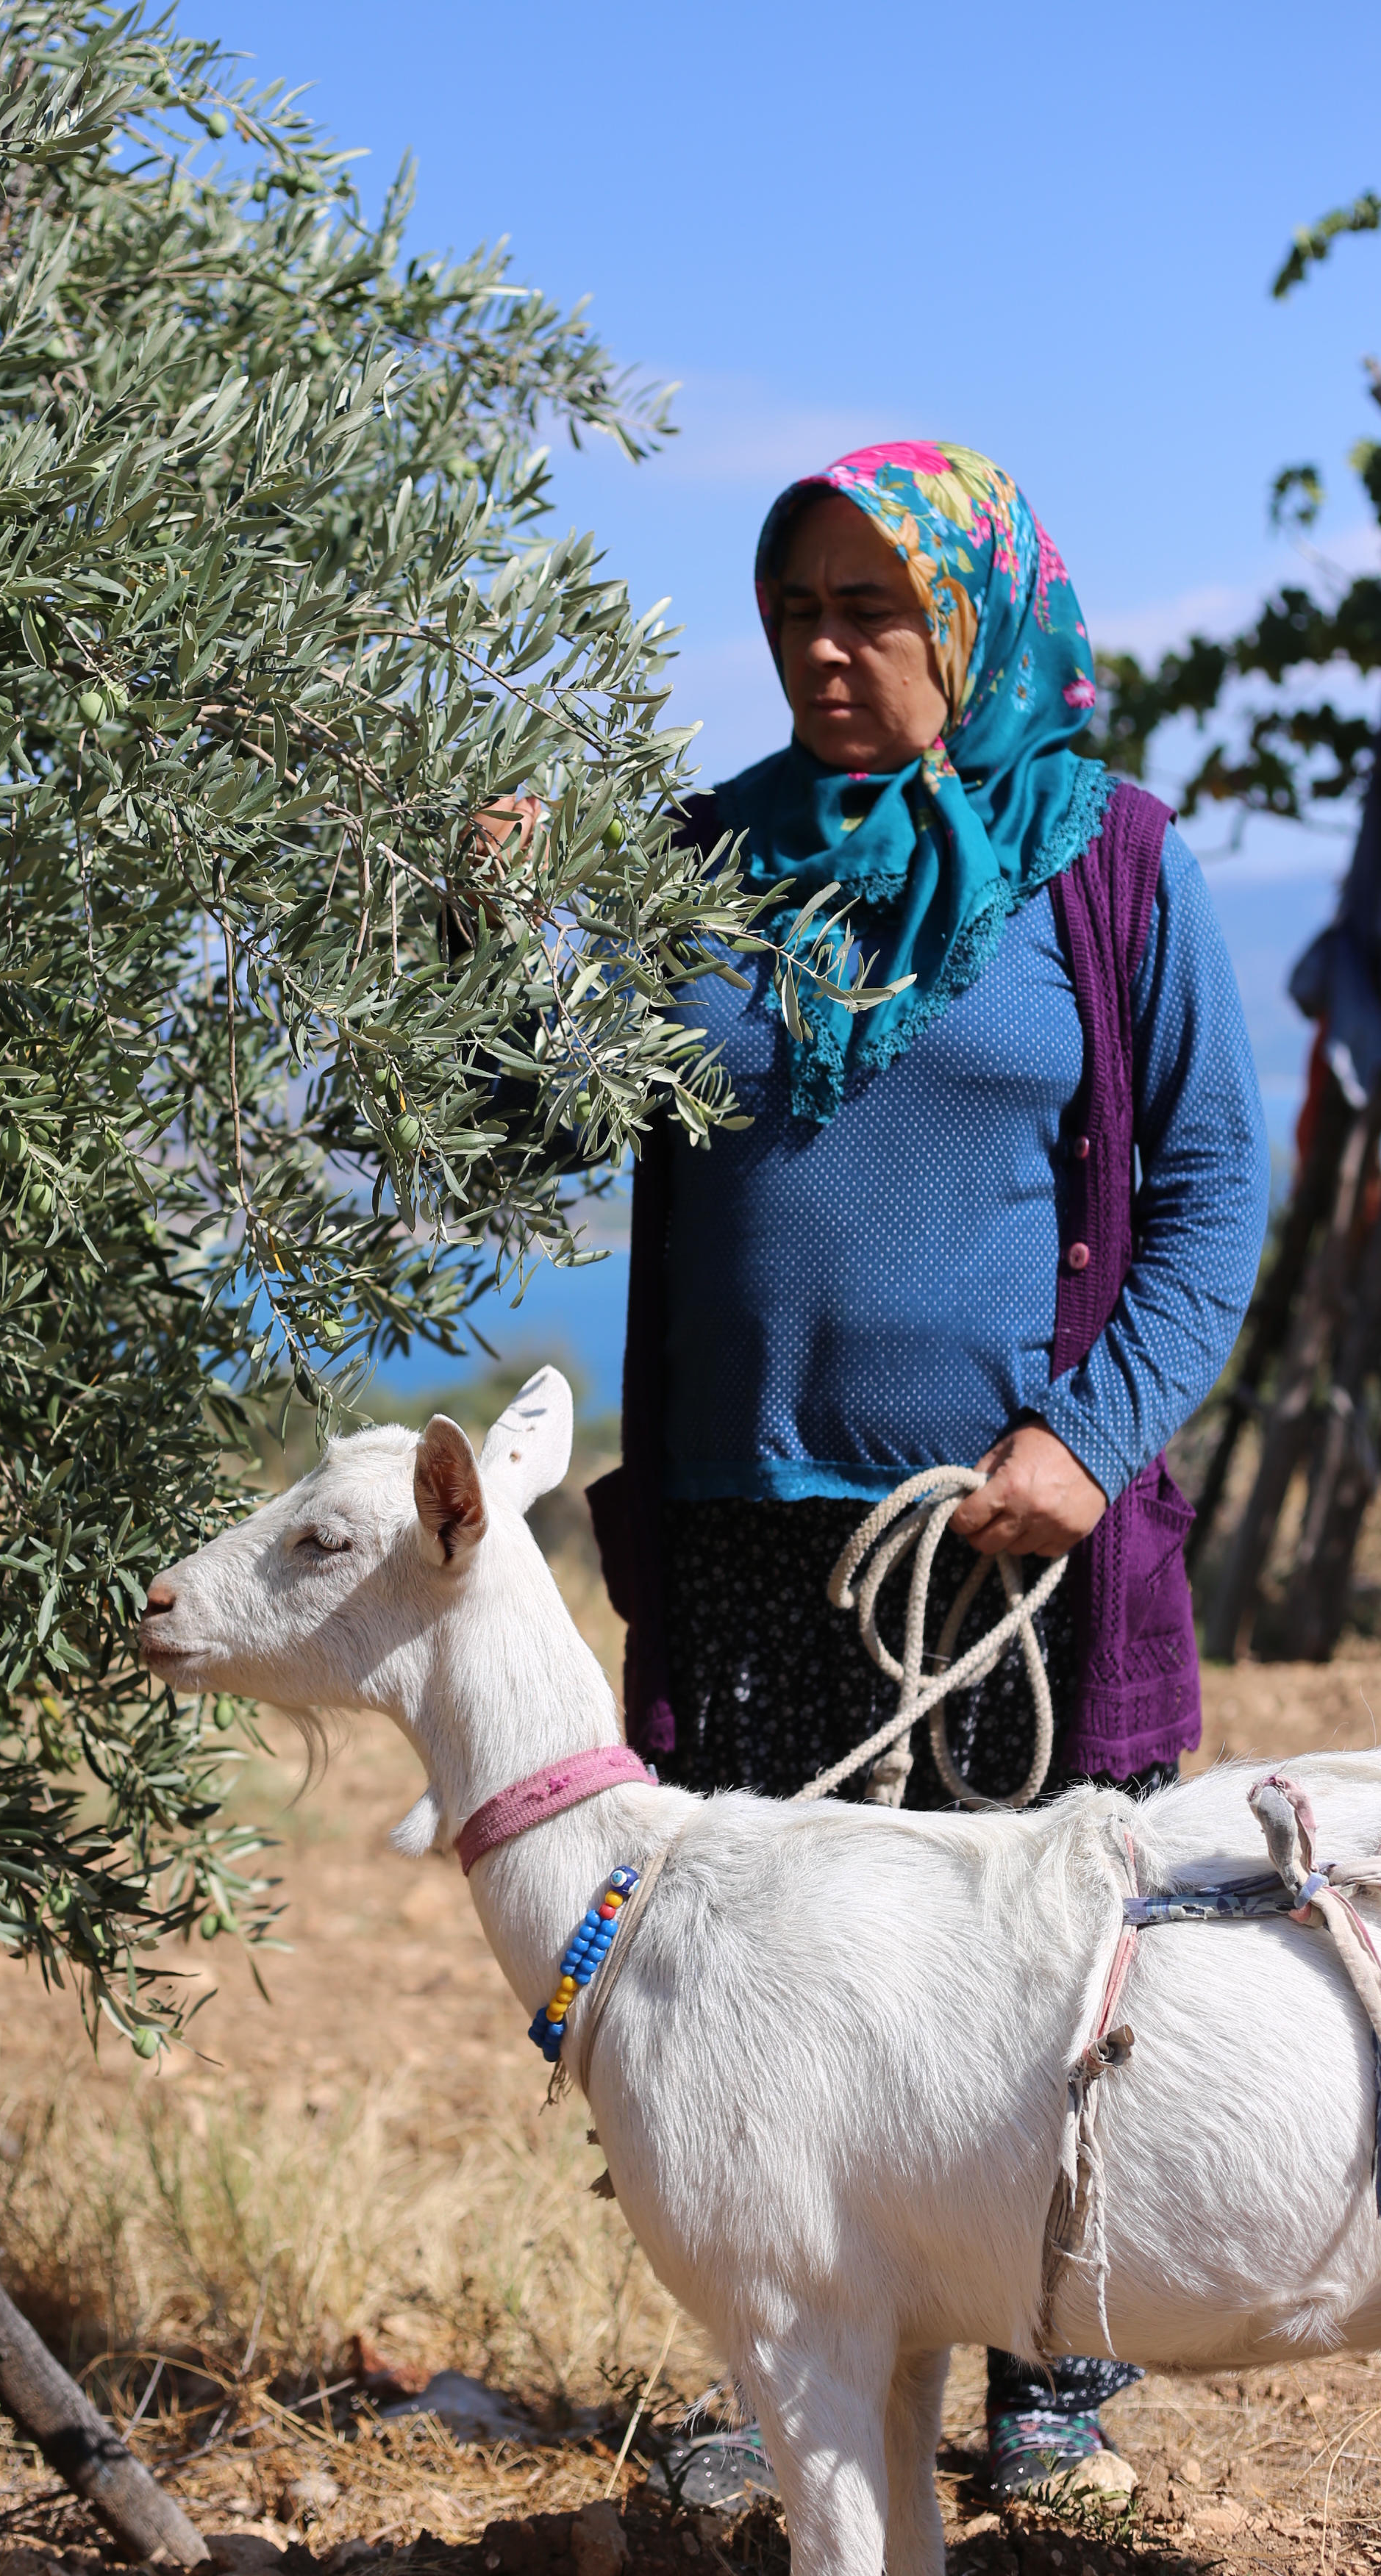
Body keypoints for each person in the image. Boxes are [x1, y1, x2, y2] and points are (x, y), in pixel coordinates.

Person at [583, 442, 1269, 2502]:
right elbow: (531, 1105)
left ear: (971, 617)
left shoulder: (1113, 862)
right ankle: (805, 2379)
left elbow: (1217, 1189)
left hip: (1013, 1545)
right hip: (747, 1535)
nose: (825, 647)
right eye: (798, 606)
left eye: (873, 609)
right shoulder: (703, 857)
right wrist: (471, 911)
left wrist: (1088, 1440)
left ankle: (1048, 2374)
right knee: (777, 2004)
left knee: (1034, 1980)